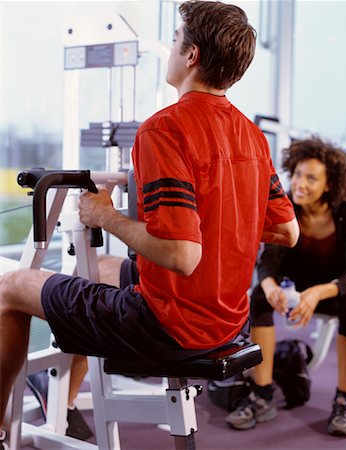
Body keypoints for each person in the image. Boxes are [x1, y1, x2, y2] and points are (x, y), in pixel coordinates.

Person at [0, 1, 300, 448]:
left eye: (177, 39)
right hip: (227, 321)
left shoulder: (164, 129)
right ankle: (61, 400)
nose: (174, 46)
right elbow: (286, 231)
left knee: (11, 287)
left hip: (168, 326)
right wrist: (222, 219)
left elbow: (182, 254)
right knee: (95, 270)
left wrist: (106, 215)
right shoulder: (252, 136)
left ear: (192, 55)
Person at [226, 137, 346, 436]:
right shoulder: (284, 206)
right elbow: (267, 259)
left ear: (329, 185)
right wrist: (269, 284)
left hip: (332, 292)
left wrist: (318, 292)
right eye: (297, 174)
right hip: (291, 290)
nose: (300, 183)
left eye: (311, 178)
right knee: (259, 296)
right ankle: (262, 394)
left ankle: (344, 400)